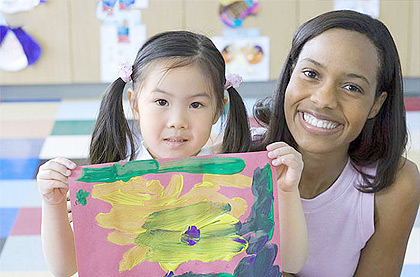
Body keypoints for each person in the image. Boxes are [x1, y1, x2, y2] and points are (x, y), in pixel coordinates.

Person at [37, 31, 308, 276]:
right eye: (161, 101)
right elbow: (64, 268)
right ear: (134, 103)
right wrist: (52, 205)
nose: (177, 120)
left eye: (196, 104)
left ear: (218, 109)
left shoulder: (242, 182)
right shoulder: (110, 188)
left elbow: (291, 264)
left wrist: (286, 192)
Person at [253, 10, 420, 276]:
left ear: (376, 104)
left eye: (352, 87)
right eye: (310, 73)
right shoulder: (235, 158)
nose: (324, 99)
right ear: (290, 74)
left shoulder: (395, 184)